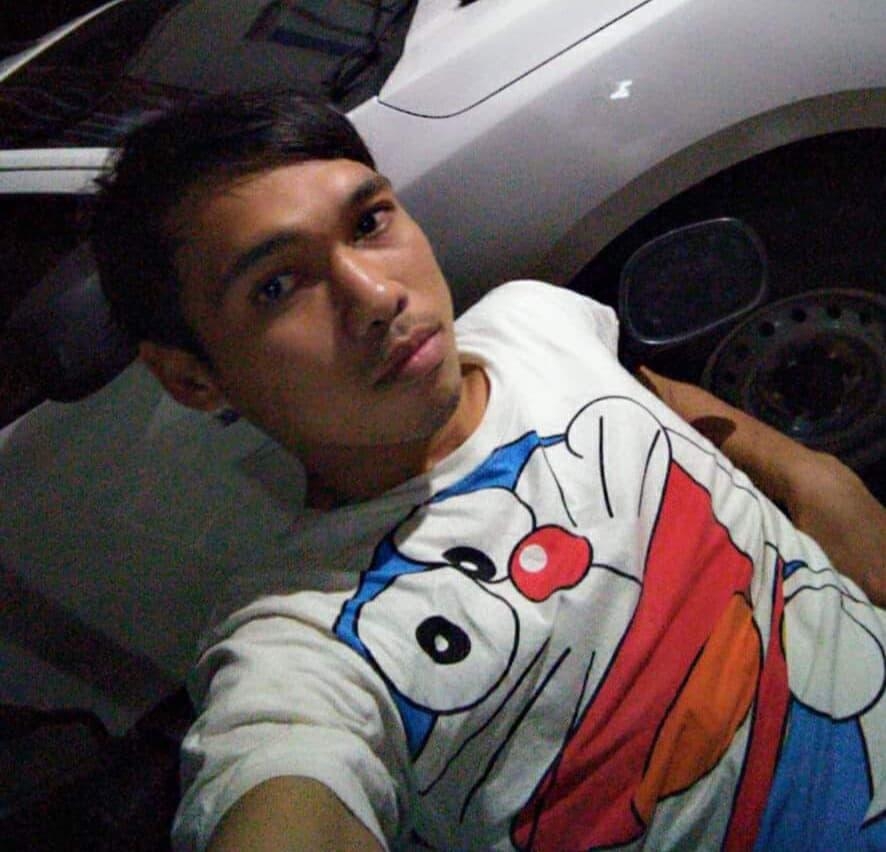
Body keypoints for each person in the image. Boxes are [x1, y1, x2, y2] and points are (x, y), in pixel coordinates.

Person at [91, 90, 886, 852]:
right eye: (276, 285)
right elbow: (290, 788)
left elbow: (655, 396)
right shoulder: (309, 642)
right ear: (191, 378)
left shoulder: (530, 318)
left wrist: (810, 473)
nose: (376, 294)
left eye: (368, 222)